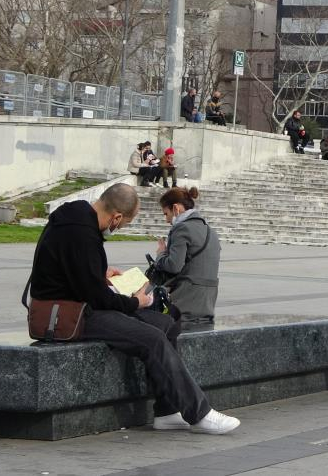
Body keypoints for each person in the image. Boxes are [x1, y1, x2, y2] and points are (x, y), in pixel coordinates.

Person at [28, 184, 239, 434]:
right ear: (116, 217)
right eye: (124, 224)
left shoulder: (77, 222)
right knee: (153, 339)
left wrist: (101, 275)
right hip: (69, 314)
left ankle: (167, 411)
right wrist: (135, 302)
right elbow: (97, 299)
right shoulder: (81, 234)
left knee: (167, 322)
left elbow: (71, 273)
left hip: (81, 303)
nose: (119, 228)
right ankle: (199, 413)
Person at [154, 187, 220, 323]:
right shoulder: (210, 230)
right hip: (207, 303)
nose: (167, 220)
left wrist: (161, 254)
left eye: (166, 214)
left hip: (184, 302)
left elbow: (174, 266)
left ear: (176, 208)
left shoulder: (182, 228)